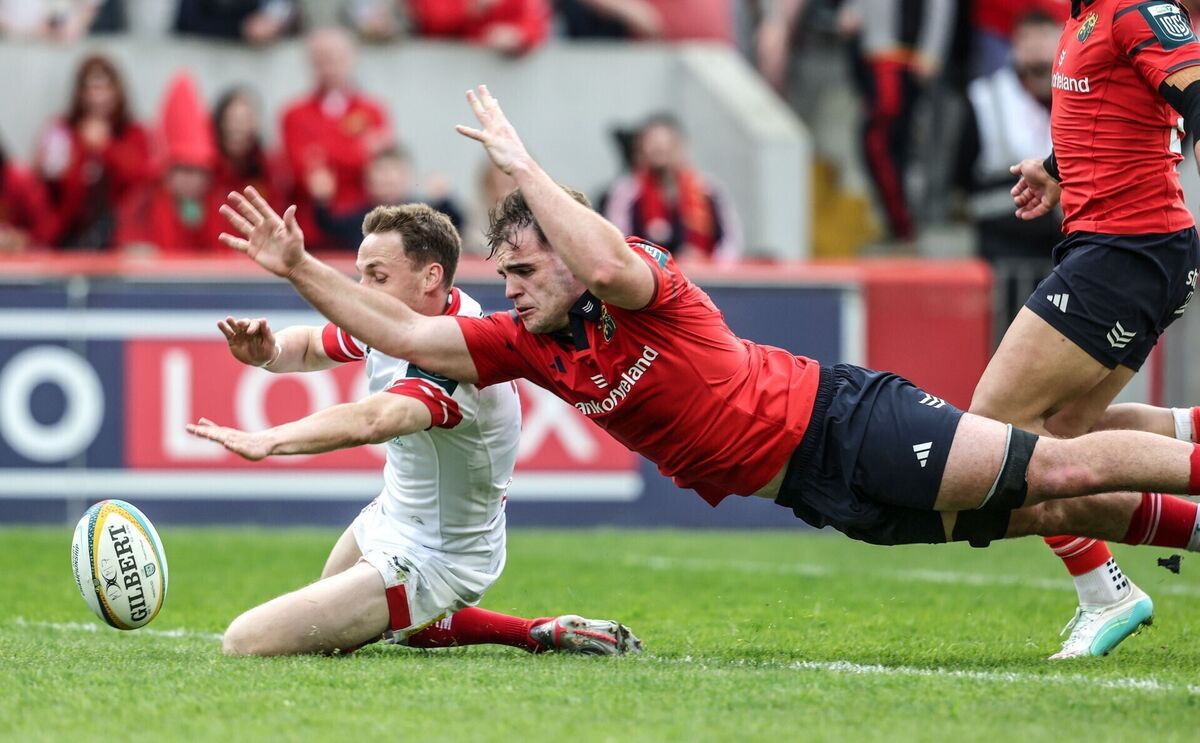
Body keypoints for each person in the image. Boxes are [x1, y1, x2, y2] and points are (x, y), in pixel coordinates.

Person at [220, 86, 1200, 656]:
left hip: (844, 424)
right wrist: (300, 270)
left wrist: (523, 169)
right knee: (1044, 503)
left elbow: (599, 260)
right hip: (820, 489)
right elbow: (407, 333)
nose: (508, 289)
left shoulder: (642, 281)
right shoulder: (531, 346)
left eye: (521, 270)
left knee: (1059, 468)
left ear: (559, 253)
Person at [190, 202, 641, 657]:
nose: (362, 290)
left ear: (430, 277)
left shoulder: (462, 350)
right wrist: (270, 351)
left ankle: (511, 626)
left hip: (441, 554)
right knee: (334, 633)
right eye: (361, 274)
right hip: (393, 513)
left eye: (377, 276)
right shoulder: (389, 318)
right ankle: (539, 632)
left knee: (245, 642)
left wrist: (270, 438)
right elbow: (309, 346)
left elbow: (375, 420)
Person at [972, 0, 1200, 659]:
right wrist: (1055, 166)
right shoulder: (1086, 14)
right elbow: (1116, 108)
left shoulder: (1135, 8)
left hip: (1127, 253)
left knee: (995, 431)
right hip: (1115, 250)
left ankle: (1108, 591)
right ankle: (1109, 591)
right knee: (1066, 436)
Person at [280, 26, 393, 249]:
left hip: (364, 227)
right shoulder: (294, 114)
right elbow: (302, 173)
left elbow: (380, 168)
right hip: (311, 230)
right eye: (321, 59)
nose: (329, 66)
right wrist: (358, 151)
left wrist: (324, 155)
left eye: (336, 58)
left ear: (352, 58)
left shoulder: (373, 110)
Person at [35, 53, 151, 250]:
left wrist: (106, 147)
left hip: (119, 234)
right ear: (79, 93)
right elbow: (53, 186)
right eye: (90, 89)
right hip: (69, 235)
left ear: (117, 90)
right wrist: (81, 150)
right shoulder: (62, 130)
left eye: (105, 88)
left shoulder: (135, 133)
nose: (97, 97)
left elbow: (140, 179)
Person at [602, 114, 742, 263]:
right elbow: (620, 242)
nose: (661, 151)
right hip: (649, 277)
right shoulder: (626, 192)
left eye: (668, 145)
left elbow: (730, 243)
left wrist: (709, 264)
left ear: (682, 146)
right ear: (641, 150)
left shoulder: (708, 190)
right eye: (654, 145)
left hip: (705, 277)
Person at [309, 145, 464, 251]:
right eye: (380, 173)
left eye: (392, 173)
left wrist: (445, 199)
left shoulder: (423, 214)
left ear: (407, 176)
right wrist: (322, 201)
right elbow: (329, 226)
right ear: (368, 180)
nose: (386, 179)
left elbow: (455, 224)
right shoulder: (359, 219)